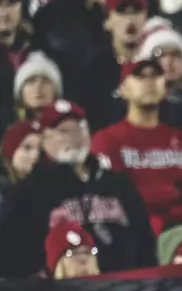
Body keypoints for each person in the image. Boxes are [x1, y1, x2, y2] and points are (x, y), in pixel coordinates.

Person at [0, 100, 155, 278]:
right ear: (45, 139)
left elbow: (145, 244)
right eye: (63, 131)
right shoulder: (28, 192)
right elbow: (10, 255)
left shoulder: (119, 185)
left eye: (79, 128)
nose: (73, 137)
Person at [91, 57, 182, 230]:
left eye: (155, 75)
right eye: (140, 76)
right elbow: (113, 196)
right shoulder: (107, 140)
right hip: (131, 232)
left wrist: (173, 221)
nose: (149, 82)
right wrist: (170, 194)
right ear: (123, 88)